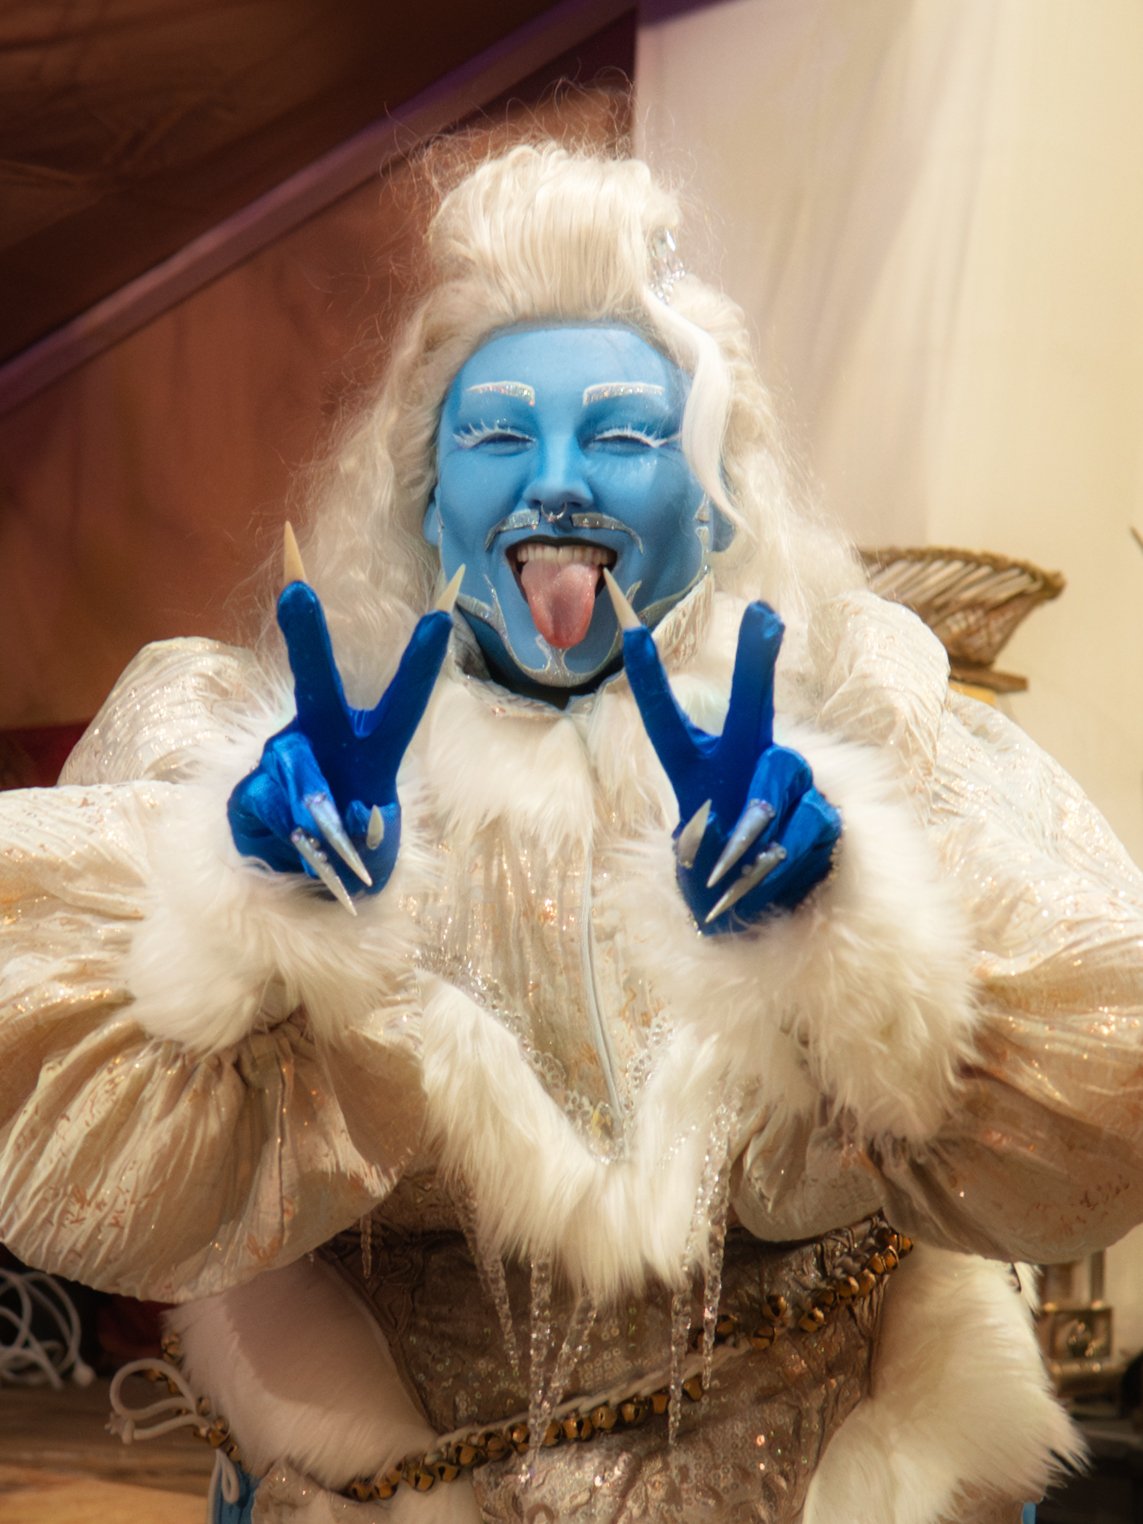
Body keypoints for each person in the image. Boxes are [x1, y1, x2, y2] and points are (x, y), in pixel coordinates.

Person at [3, 143, 1143, 1524]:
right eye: (496, 438)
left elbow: (1085, 1101)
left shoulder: (869, 726)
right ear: (426, 501)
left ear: (711, 496)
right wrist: (256, 928)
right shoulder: (258, 754)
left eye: (619, 436)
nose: (554, 483)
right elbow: (121, 1185)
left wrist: (840, 938)